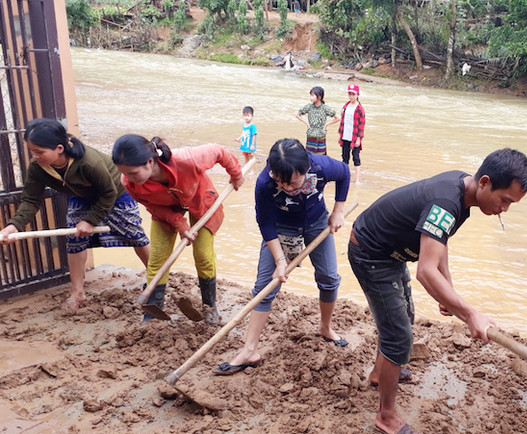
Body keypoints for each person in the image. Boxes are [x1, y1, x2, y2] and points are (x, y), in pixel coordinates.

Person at [348, 148, 527, 434]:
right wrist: (469, 313)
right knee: (398, 335)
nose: (504, 210)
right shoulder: (447, 202)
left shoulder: (462, 192)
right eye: (505, 200)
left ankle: (379, 373)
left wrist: (448, 289)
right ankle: (386, 415)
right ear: (485, 182)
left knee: (402, 318)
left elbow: (437, 243)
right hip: (371, 253)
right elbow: (425, 271)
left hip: (391, 253)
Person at [215, 138, 350, 375]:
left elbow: (345, 173)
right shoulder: (265, 183)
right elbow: (265, 222)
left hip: (318, 223)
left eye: (294, 182)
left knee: (329, 278)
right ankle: (250, 350)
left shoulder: (320, 167)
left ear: (306, 168)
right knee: (265, 286)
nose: (288, 188)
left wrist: (338, 211)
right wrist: (280, 261)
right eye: (281, 182)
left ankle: (325, 328)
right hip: (281, 229)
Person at [0, 118, 150, 311]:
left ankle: (157, 279)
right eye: (32, 151)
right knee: (75, 241)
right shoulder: (37, 167)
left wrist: (90, 220)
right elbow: (30, 200)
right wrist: (14, 226)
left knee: (135, 236)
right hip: (81, 194)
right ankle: (77, 293)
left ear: (59, 149)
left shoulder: (88, 162)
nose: (34, 156)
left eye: (39, 152)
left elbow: (109, 193)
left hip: (114, 192)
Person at [111, 135, 244, 323]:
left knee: (203, 256)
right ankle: (153, 312)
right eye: (124, 173)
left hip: (200, 201)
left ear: (150, 161)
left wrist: (236, 175)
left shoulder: (187, 160)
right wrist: (179, 223)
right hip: (165, 210)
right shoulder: (128, 182)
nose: (128, 178)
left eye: (133, 173)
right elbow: (153, 207)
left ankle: (210, 307)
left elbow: (218, 150)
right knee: (157, 259)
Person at [295, 86, 340, 155]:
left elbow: (338, 118)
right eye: (310, 95)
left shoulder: (325, 108)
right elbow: (297, 115)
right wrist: (307, 123)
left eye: (312, 95)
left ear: (319, 97)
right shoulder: (309, 106)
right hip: (311, 134)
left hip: (321, 134)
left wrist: (326, 124)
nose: (310, 97)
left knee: (321, 156)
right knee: (310, 155)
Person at [338, 84, 365, 184]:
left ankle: (357, 179)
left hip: (354, 137)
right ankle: (344, 176)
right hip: (345, 135)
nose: (351, 96)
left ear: (357, 94)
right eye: (349, 94)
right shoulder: (346, 106)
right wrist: (340, 135)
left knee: (356, 157)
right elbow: (342, 122)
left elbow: (362, 125)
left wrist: (359, 138)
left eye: (353, 94)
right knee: (344, 157)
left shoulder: (360, 109)